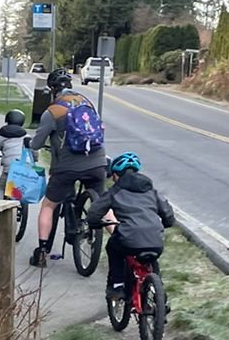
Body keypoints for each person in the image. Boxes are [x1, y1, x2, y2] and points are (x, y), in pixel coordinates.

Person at [26, 69, 107, 267]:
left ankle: (43, 251)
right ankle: (123, 243)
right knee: (102, 206)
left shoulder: (52, 111)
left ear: (52, 89)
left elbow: (37, 144)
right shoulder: (87, 103)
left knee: (48, 205)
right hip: (97, 161)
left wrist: (29, 143)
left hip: (66, 167)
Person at [86, 150, 175, 295]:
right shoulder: (151, 191)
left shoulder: (115, 191)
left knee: (113, 248)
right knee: (152, 258)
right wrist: (164, 224)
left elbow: (94, 212)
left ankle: (117, 285)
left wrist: (94, 223)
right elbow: (168, 216)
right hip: (156, 239)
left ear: (116, 175)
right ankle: (159, 294)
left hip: (129, 239)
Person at [0, 107, 27, 177]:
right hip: (25, 168)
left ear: (7, 120)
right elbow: (33, 150)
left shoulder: (3, 135)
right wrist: (35, 158)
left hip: (10, 170)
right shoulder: (26, 136)